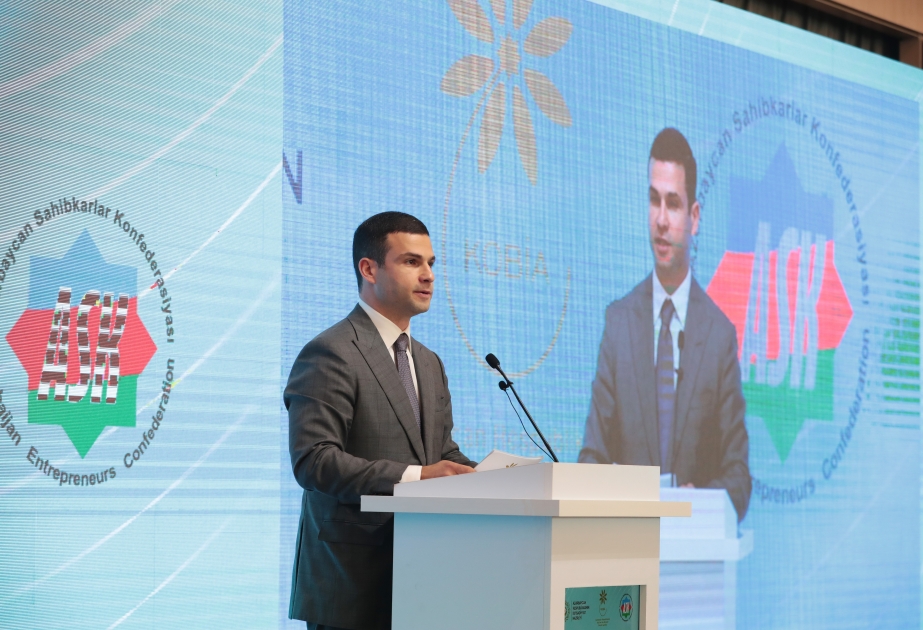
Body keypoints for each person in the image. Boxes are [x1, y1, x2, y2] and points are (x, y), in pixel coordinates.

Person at [285, 212, 477, 630]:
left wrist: (497, 477)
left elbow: (439, 452)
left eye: (431, 263)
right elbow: (314, 460)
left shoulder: (428, 362)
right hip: (352, 585)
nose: (428, 275)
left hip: (425, 580)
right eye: (411, 262)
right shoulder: (331, 351)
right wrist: (418, 477)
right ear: (369, 269)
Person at [579, 128, 751, 521]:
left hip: (694, 546)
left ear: (694, 217)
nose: (660, 219)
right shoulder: (619, 323)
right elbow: (591, 458)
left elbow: (738, 479)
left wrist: (698, 502)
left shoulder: (719, 335)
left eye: (672, 204)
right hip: (627, 542)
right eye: (653, 200)